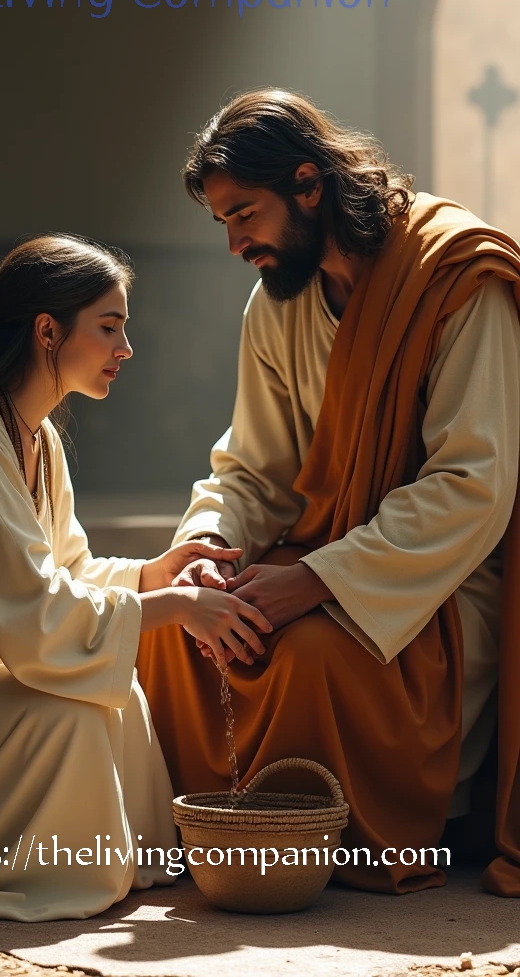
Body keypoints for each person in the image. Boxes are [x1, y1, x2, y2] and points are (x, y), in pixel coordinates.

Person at [136, 88, 520, 896]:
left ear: (310, 186)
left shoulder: (457, 279)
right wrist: (207, 549)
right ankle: (214, 834)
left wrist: (311, 583)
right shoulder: (278, 300)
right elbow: (253, 468)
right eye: (224, 225)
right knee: (178, 629)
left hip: (430, 586)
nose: (237, 243)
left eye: (246, 215)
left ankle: (332, 842)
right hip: (320, 554)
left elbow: (472, 487)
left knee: (308, 652)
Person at [0, 234, 270, 921]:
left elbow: (65, 571)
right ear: (47, 331)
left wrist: (154, 575)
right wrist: (178, 605)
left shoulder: (34, 439)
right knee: (70, 709)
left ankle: (110, 862)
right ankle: (48, 869)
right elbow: (34, 611)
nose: (125, 350)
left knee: (112, 685)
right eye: (109, 328)